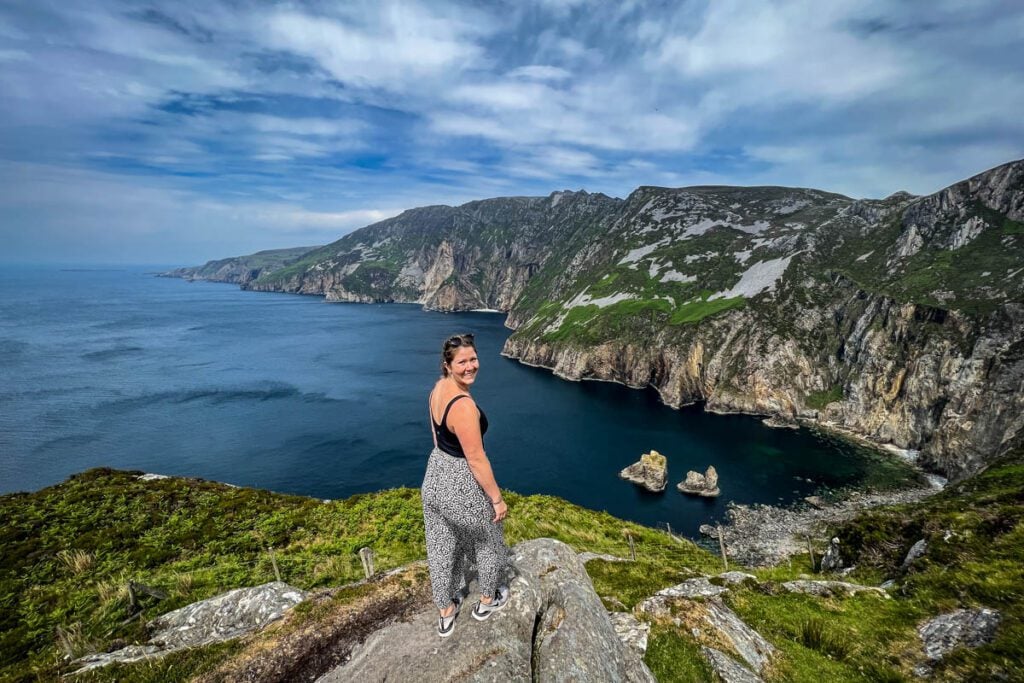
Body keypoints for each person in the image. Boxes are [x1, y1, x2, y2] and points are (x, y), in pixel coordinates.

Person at [421, 333, 510, 637]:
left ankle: (446, 609)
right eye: (462, 361)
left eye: (473, 359)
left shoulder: (437, 390)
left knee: (441, 545)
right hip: (462, 482)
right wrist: (496, 500)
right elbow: (476, 459)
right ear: (448, 364)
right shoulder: (464, 407)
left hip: (435, 476)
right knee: (487, 540)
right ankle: (487, 600)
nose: (471, 366)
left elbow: (437, 437)